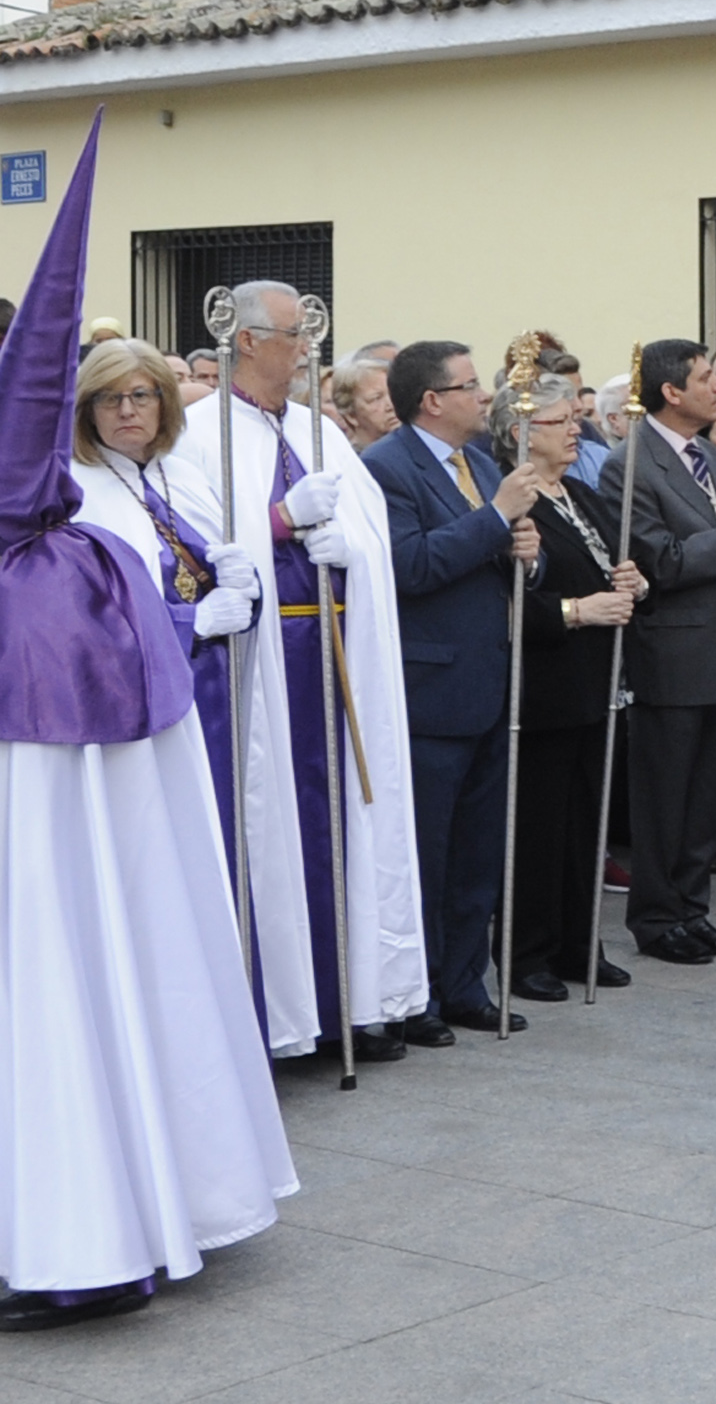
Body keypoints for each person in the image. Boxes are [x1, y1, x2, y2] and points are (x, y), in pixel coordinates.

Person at [0, 122, 297, 1333]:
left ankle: (87, 1233)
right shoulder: (69, 560)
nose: (129, 412)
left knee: (65, 989)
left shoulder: (61, 571)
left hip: (55, 865)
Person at [179, 280, 430, 1061]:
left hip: (334, 646)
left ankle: (352, 1003)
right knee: (275, 830)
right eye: (292, 336)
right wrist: (280, 523)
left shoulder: (316, 429)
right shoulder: (195, 434)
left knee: (346, 823)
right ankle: (286, 1015)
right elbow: (192, 547)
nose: (304, 352)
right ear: (246, 341)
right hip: (260, 664)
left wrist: (348, 549)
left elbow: (370, 536)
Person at [364, 341, 543, 1042]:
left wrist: (528, 549)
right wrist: (496, 519)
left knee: (477, 854)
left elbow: (505, 549)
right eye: (470, 386)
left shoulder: (481, 463)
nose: (484, 397)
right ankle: (419, 996)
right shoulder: (386, 469)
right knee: (428, 855)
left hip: (490, 681)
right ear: (432, 400)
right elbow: (408, 566)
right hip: (429, 688)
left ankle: (466, 984)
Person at [603, 340, 716, 965]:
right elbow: (663, 561)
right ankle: (656, 917)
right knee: (666, 796)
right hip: (674, 652)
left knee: (708, 796)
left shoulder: (708, 452)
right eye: (706, 378)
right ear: (671, 392)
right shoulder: (629, 465)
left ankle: (692, 907)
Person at [68, 340, 265, 864]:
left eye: (140, 394)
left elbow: (223, 571)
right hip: (138, 703)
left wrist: (248, 586)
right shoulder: (75, 492)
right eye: (109, 399)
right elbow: (77, 614)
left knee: (219, 834)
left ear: (165, 403)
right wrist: (189, 621)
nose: (127, 410)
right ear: (86, 410)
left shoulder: (184, 475)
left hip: (215, 692)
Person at [496, 374, 643, 1001]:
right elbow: (510, 602)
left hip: (596, 681)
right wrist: (581, 609)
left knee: (588, 822)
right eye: (561, 420)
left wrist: (631, 582)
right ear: (520, 433)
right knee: (538, 826)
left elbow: (610, 563)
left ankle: (581, 942)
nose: (575, 426)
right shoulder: (512, 501)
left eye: (575, 416)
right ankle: (526, 950)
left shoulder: (579, 491)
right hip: (545, 684)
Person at [332, 358, 399, 451]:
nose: (391, 406)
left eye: (392, 393)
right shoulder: (351, 461)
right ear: (351, 416)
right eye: (376, 398)